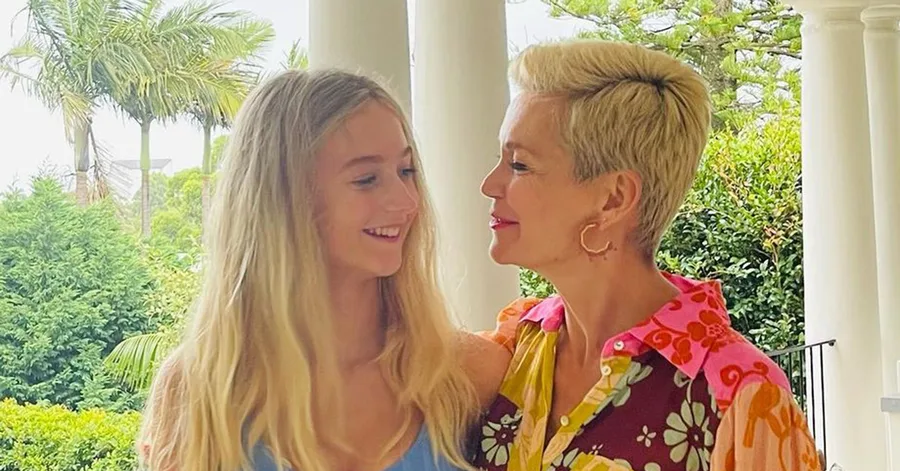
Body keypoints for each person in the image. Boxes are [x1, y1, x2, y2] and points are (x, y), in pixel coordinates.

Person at [471, 40, 820, 471]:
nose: (490, 184)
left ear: (613, 199)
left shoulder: (742, 398)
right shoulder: (514, 348)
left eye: (519, 165)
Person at [138, 69, 509, 471]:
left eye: (406, 172)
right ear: (286, 199)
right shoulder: (200, 392)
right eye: (366, 179)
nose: (405, 202)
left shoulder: (468, 375)